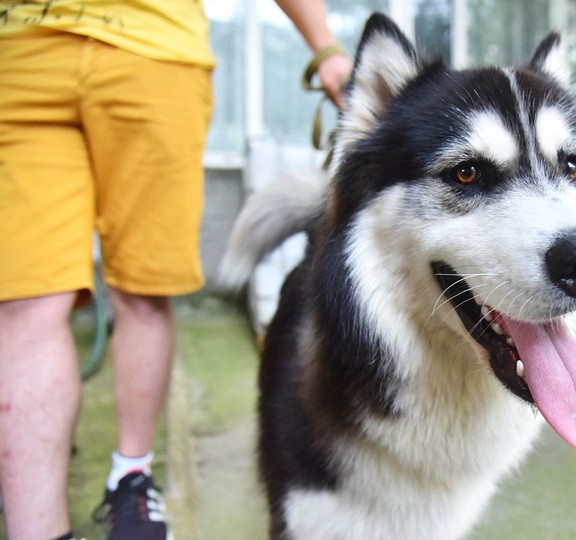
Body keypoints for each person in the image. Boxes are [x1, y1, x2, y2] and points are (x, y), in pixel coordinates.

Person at [0, 1, 352, 539]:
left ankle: (132, 477)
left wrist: (324, 44)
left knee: (142, 290)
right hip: (21, 50)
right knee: (25, 301)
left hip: (156, 53)